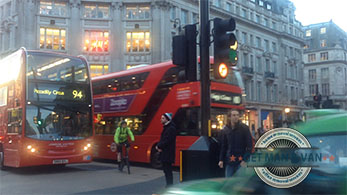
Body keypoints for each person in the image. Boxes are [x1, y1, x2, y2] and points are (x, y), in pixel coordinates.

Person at [218, 109, 253, 177]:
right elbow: (224, 146)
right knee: (228, 182)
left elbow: (249, 145)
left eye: (237, 115)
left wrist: (245, 160)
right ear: (229, 117)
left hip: (240, 161)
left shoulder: (244, 128)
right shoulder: (226, 129)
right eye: (234, 115)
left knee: (239, 183)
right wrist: (221, 160)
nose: (236, 117)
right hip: (229, 160)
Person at [156, 113, 177, 187]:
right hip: (166, 152)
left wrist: (159, 146)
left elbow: (167, 140)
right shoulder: (167, 127)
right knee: (166, 170)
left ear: (167, 119)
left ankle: (169, 185)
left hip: (167, 153)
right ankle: (168, 185)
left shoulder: (170, 128)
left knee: (168, 170)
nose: (161, 120)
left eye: (162, 118)